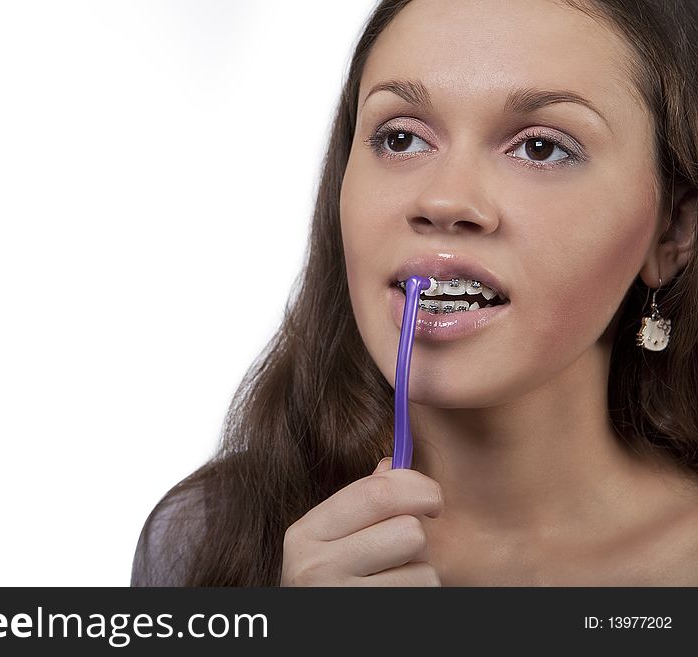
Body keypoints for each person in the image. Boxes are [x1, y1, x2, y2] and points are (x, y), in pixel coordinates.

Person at [131, 0, 698, 586]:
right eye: (401, 139)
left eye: (540, 148)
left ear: (673, 229)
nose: (444, 201)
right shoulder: (208, 537)